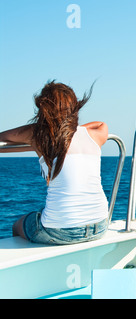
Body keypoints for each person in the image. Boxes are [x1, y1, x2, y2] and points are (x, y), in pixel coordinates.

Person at [0, 80, 110, 245]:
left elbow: (3, 137)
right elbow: (101, 123)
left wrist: (44, 138)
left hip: (60, 232)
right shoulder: (96, 135)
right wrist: (70, 129)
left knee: (18, 225)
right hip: (100, 225)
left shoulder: (37, 134)